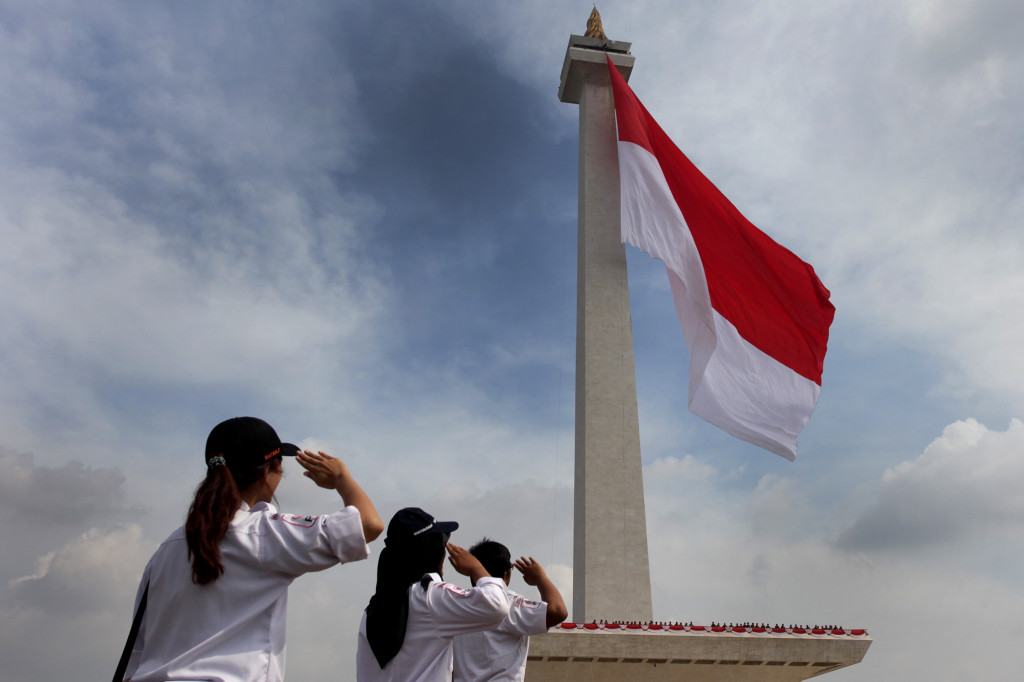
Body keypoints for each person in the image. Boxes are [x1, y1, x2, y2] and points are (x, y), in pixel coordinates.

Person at [119, 416, 384, 682]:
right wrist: (341, 478)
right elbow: (368, 525)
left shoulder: (165, 551)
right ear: (270, 469)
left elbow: (137, 651)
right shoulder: (262, 532)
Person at [356, 508, 511, 682]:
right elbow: (497, 606)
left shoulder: (371, 611)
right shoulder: (431, 597)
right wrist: (476, 568)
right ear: (430, 551)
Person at [451, 539, 568, 682]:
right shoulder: (510, 603)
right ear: (506, 574)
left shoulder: (459, 605)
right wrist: (540, 578)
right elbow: (558, 611)